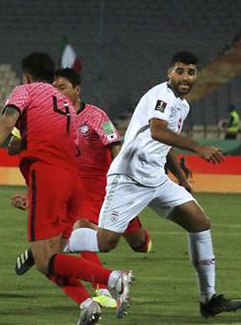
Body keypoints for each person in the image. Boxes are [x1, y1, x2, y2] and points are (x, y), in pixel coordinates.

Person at [64, 51, 241, 318]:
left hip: (156, 179)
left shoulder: (182, 105)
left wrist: (180, 178)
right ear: (169, 73)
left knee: (199, 223)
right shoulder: (161, 95)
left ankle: (209, 300)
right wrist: (198, 147)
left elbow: (164, 142)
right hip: (128, 177)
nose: (186, 77)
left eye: (191, 72)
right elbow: (157, 130)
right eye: (180, 71)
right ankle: (55, 246)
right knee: (106, 242)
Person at [0, 52, 134, 325]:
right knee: (55, 255)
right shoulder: (66, 105)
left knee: (44, 260)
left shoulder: (24, 91)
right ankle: (87, 305)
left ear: (26, 76)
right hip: (72, 182)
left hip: (48, 176)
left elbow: (6, 124)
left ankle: (113, 279)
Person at [10, 68, 156, 307]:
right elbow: (18, 149)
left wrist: (123, 179)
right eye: (54, 87)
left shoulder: (97, 116)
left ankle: (40, 252)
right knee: (80, 227)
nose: (56, 92)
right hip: (75, 186)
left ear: (77, 90)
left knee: (138, 243)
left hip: (105, 187)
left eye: (62, 87)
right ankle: (102, 289)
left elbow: (114, 145)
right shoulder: (48, 116)